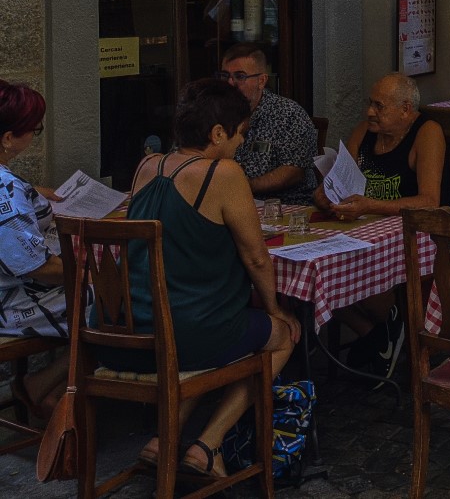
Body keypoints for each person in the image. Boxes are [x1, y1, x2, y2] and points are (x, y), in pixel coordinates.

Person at [115, 79, 300, 477]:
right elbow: (256, 257)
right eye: (239, 135)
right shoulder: (223, 173)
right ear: (217, 133)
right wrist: (275, 309)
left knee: (201, 330)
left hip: (125, 336)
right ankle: (207, 444)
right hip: (184, 338)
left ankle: (163, 440)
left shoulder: (147, 166)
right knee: (281, 336)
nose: (240, 144)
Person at [313, 73, 445, 374]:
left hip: (411, 237)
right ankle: (377, 333)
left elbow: (429, 200)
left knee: (350, 279)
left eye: (379, 106)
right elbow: (343, 180)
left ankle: (387, 325)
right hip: (360, 231)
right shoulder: (365, 132)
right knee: (325, 276)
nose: (369, 112)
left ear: (406, 109)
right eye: (370, 104)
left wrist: (372, 205)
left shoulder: (427, 132)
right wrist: (326, 193)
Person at [0, 81, 69, 420]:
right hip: (10, 301)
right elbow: (33, 265)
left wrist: (33, 193)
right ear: (8, 137)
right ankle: (43, 386)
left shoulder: (12, 186)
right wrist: (82, 267)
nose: (33, 136)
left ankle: (49, 388)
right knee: (118, 306)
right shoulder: (7, 190)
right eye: (33, 130)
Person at [221, 44, 317, 204]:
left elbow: (293, 170)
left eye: (240, 76)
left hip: (285, 205)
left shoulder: (288, 113)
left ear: (261, 81)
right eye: (225, 76)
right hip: (230, 202)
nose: (230, 83)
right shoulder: (215, 113)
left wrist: (245, 186)